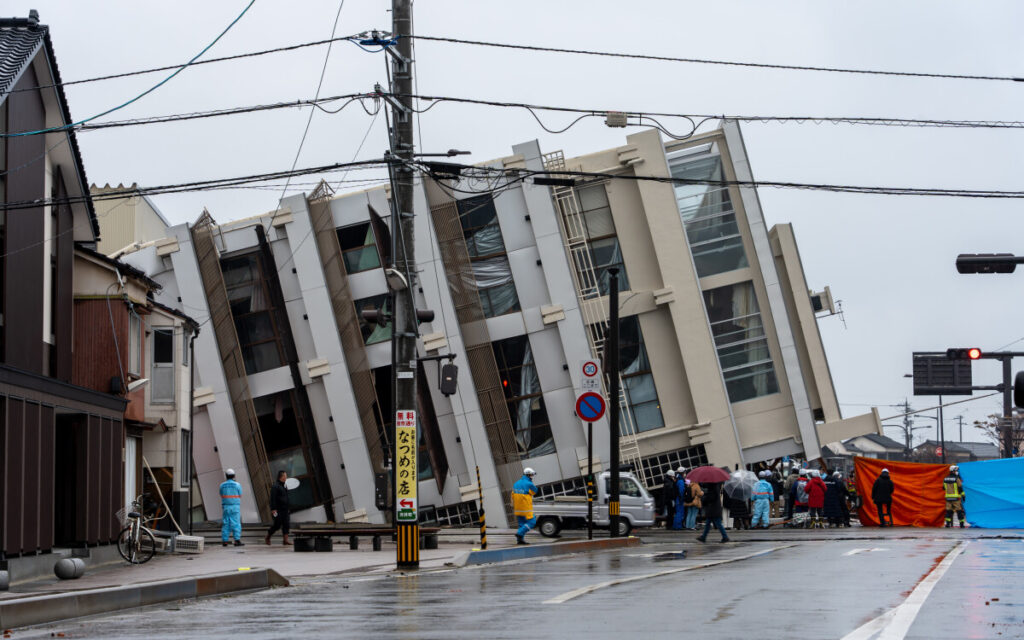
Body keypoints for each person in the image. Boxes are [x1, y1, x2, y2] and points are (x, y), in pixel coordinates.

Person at [512, 467, 539, 545]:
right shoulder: (529, 484)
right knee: (532, 522)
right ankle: (519, 533)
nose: (532, 477)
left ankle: (520, 540)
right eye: (532, 475)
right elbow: (535, 491)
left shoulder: (516, 483)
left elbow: (512, 495)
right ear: (528, 475)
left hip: (517, 509)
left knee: (522, 524)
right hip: (526, 509)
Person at [265, 470, 291, 546]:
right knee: (277, 525)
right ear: (281, 477)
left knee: (286, 524)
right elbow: (272, 498)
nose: (286, 478)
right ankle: (268, 537)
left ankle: (285, 540)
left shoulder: (284, 486)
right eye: (285, 476)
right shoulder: (275, 486)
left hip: (285, 509)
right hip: (278, 510)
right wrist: (273, 509)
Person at [219, 469, 244, 547]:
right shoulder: (237, 485)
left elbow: (221, 494)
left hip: (226, 507)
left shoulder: (222, 485)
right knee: (236, 524)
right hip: (235, 507)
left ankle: (225, 541)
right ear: (234, 476)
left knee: (226, 524)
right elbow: (240, 495)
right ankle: (237, 540)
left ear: (226, 476)